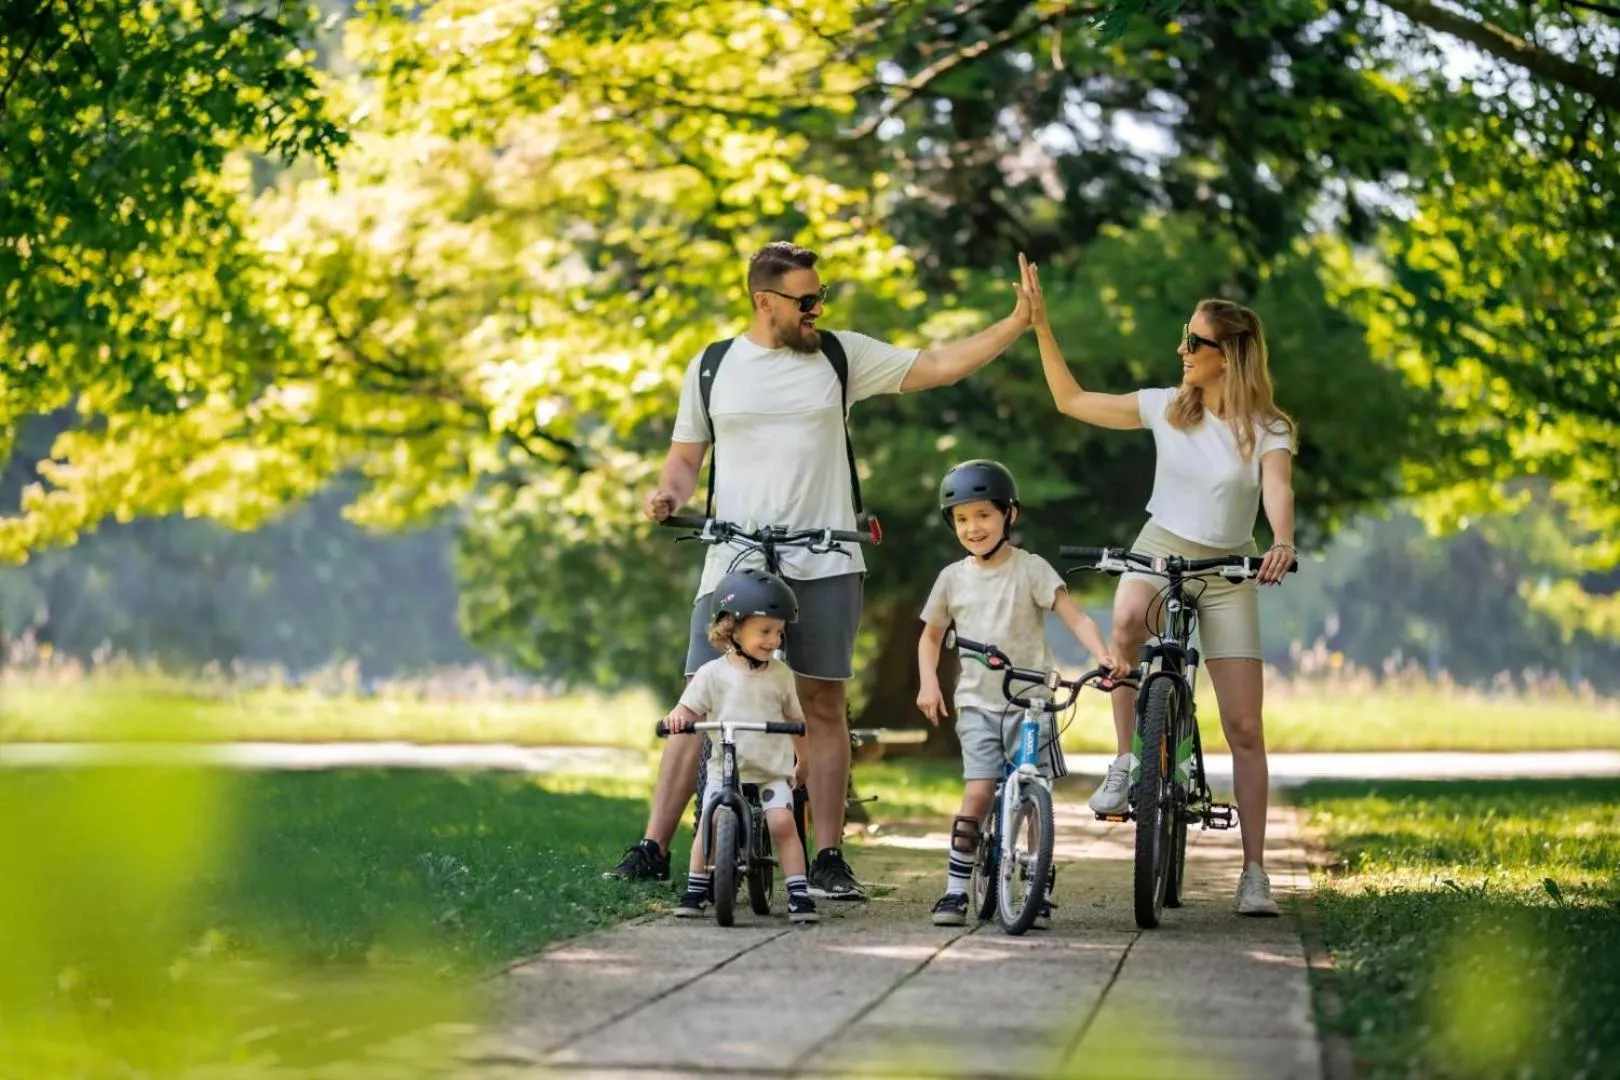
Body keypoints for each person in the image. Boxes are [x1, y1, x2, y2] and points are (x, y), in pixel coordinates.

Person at [605, 240, 1033, 900]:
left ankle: (828, 854)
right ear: (764, 301)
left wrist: (1014, 324)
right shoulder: (714, 366)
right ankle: (654, 845)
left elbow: (940, 365)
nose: (817, 309)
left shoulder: (839, 356)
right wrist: (669, 493)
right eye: (805, 300)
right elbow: (685, 458)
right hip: (734, 556)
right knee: (703, 698)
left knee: (824, 703)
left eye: (821, 297)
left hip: (827, 556)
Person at [1020, 253, 1297, 917]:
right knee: (1124, 622)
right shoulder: (1165, 410)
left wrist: (1281, 541)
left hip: (1228, 567)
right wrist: (1040, 325)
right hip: (1161, 546)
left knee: (1245, 726)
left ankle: (1254, 872)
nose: (1181, 349)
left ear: (1227, 355)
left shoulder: (1268, 428)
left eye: (1193, 342)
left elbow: (1278, 490)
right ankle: (1126, 762)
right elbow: (1071, 401)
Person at [915, 459, 1125, 928]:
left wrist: (1103, 654)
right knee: (978, 792)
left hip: (1033, 705)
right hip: (978, 704)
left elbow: (1074, 615)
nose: (973, 527)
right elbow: (930, 635)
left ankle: (1035, 885)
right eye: (962, 518)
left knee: (1037, 794)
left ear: (1009, 515)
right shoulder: (952, 578)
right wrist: (929, 681)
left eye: (984, 515)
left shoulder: (1031, 569)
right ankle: (953, 891)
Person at [664, 568, 819, 923]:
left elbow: (797, 721)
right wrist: (676, 718)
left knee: (782, 822)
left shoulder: (781, 675)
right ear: (732, 628)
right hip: (724, 767)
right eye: (765, 631)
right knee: (710, 819)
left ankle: (798, 892)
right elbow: (688, 708)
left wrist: (803, 760)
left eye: (779, 632)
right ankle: (696, 887)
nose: (774, 640)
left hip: (770, 770)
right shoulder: (712, 673)